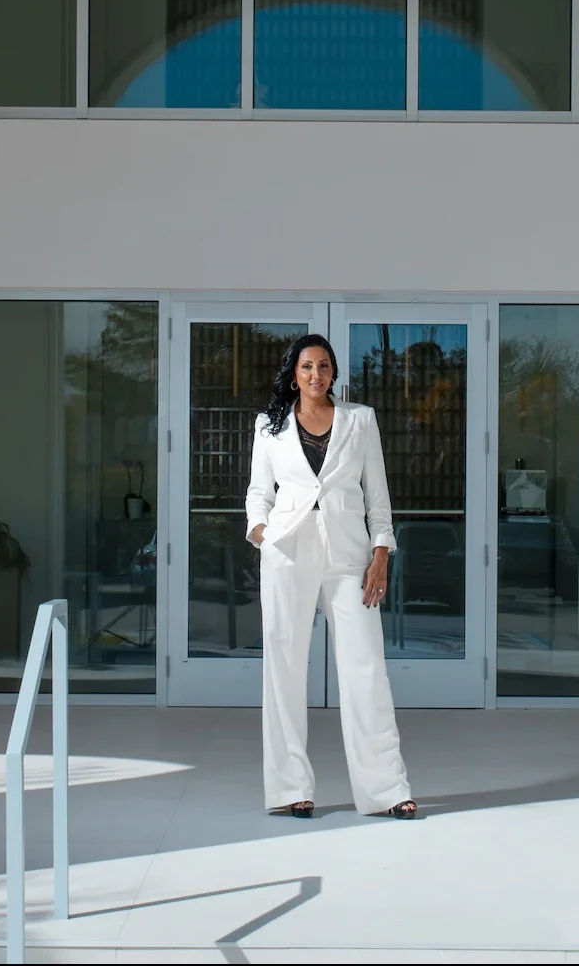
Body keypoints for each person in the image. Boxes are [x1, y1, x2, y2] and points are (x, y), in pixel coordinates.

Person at [245, 335, 420, 820]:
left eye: (324, 366)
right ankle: (289, 789)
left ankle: (387, 789)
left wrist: (381, 553)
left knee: (366, 670)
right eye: (307, 367)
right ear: (293, 373)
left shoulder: (360, 420)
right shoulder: (269, 426)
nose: (316, 374)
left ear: (334, 372)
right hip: (287, 552)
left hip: (350, 557)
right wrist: (263, 534)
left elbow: (378, 497)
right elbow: (258, 492)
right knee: (283, 668)